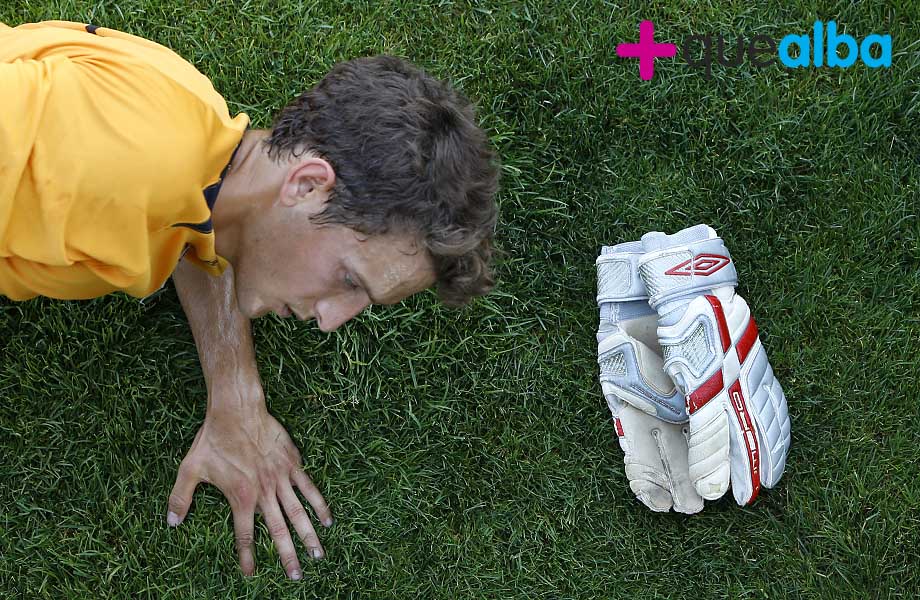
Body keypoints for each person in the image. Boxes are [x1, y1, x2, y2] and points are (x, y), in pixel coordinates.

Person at [0, 20, 499, 579]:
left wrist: (236, 394)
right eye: (350, 280)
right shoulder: (116, 161)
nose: (332, 318)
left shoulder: (202, 166)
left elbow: (204, 243)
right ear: (307, 185)